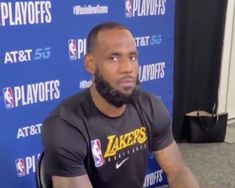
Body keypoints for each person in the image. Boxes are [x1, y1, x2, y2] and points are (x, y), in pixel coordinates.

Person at [41, 22, 200, 188]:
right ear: (90, 64)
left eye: (132, 57)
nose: (127, 68)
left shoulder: (150, 107)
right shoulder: (65, 125)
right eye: (114, 58)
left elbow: (178, 171)